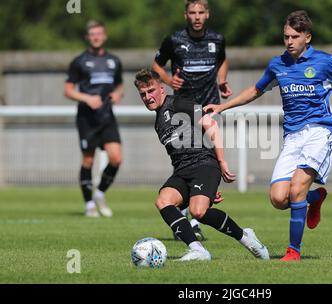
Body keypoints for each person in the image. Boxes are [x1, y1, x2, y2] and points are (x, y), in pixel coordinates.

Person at [204, 10, 332, 261]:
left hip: (320, 131)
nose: (289, 41)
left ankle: (294, 251)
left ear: (307, 37)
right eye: (285, 37)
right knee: (279, 198)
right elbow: (255, 90)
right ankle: (316, 198)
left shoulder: (324, 62)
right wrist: (222, 107)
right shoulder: (277, 64)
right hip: (292, 136)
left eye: (294, 36)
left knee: (297, 188)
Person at [134, 68, 269, 261]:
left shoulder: (179, 103)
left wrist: (221, 162)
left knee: (199, 211)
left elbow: (210, 125)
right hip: (182, 171)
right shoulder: (158, 121)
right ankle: (198, 250)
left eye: (151, 91)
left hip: (204, 164)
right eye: (143, 94)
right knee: (163, 201)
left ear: (161, 88)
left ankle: (245, 237)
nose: (147, 97)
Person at [151, 0, 233, 240]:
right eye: (192, 13)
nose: (197, 18)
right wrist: (167, 79)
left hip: (208, 104)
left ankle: (206, 192)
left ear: (207, 14)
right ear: (186, 15)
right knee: (188, 156)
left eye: (201, 13)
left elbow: (222, 60)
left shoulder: (217, 39)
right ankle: (195, 212)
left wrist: (222, 80)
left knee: (204, 155)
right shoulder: (174, 40)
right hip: (182, 109)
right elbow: (156, 65)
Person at [64, 20, 124, 218]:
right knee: (88, 161)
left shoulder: (114, 61)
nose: (96, 37)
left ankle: (99, 194)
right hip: (87, 119)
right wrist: (87, 98)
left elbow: (120, 85)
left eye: (99, 33)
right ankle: (89, 203)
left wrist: (117, 94)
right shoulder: (79, 61)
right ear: (87, 37)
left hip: (107, 116)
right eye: (92, 34)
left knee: (116, 158)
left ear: (105, 35)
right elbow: (68, 90)